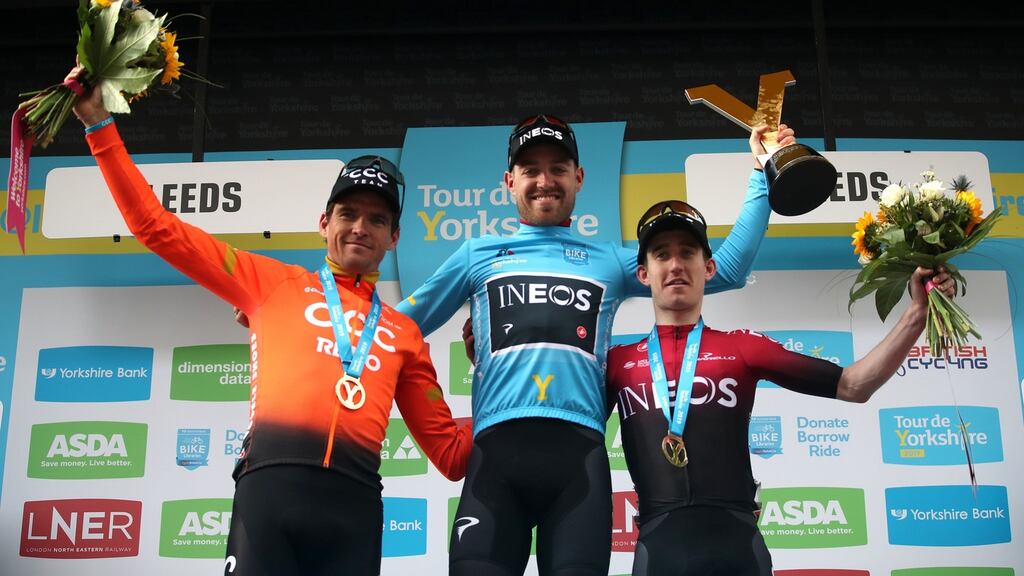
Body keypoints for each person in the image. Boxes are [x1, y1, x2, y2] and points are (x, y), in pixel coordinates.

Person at [70, 76, 472, 576]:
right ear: (324, 222)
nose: (360, 228)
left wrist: (515, 386)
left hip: (355, 511)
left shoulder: (403, 333)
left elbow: (452, 455)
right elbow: (156, 228)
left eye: (376, 219)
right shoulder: (271, 283)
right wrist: (99, 125)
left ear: (395, 236)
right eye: (348, 214)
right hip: (268, 496)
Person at [393, 114, 793, 575]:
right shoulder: (477, 255)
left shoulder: (609, 260)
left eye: (559, 168)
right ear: (509, 181)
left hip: (577, 463)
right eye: (531, 169)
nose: (545, 181)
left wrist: (764, 171)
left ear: (579, 177)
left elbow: (728, 269)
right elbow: (392, 332)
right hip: (494, 463)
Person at [606, 199, 955, 576]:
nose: (675, 265)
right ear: (643, 273)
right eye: (662, 255)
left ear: (708, 268)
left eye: (687, 253)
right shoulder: (616, 362)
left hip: (737, 545)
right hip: (659, 548)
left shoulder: (743, 346)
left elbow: (854, 385)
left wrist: (917, 315)